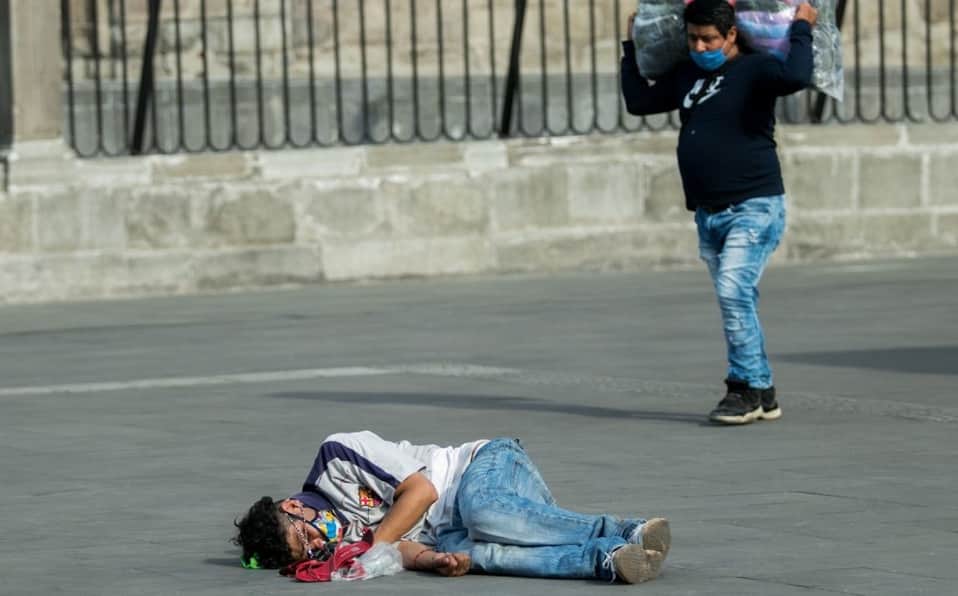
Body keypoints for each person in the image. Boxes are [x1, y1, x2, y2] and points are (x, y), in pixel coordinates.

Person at [621, 0, 818, 425]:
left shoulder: (756, 69)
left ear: (731, 36)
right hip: (709, 212)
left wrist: (802, 27)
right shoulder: (689, 74)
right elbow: (639, 102)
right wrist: (628, 43)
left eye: (709, 38)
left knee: (733, 292)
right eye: (693, 38)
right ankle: (763, 391)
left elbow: (797, 75)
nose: (700, 45)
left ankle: (742, 389)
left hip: (755, 203)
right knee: (737, 300)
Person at [233, 430, 671, 584]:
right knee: (482, 556)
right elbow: (401, 548)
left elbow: (421, 492)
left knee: (483, 514)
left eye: (303, 535)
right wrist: (434, 560)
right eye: (307, 552)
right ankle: (608, 560)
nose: (316, 544)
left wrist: (371, 550)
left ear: (294, 506)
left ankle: (626, 529)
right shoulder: (332, 546)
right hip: (451, 528)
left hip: (484, 468)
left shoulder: (338, 455)